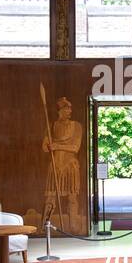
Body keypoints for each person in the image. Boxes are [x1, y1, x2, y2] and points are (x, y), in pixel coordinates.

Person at [43, 96, 82, 229]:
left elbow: (75, 147)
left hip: (70, 165)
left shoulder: (76, 126)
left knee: (72, 198)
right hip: (56, 165)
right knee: (50, 198)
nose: (70, 111)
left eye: (70, 108)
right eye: (67, 108)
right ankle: (45, 226)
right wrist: (48, 144)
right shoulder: (52, 126)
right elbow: (44, 147)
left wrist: (56, 146)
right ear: (60, 110)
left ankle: (73, 226)